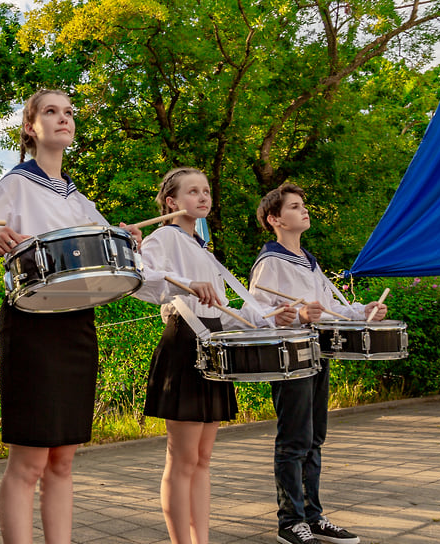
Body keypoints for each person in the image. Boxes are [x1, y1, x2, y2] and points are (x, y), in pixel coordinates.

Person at [0, 89, 139, 543]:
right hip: (31, 326)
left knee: (63, 459)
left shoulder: (78, 199)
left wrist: (126, 236)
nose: (63, 119)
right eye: (50, 112)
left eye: (68, 113)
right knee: (29, 462)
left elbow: (107, 253)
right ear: (30, 127)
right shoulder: (14, 184)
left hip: (77, 325)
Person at [133, 167, 297, 544]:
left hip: (213, 343)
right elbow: (141, 279)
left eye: (206, 190)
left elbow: (225, 311)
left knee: (203, 459)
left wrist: (273, 317)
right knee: (182, 458)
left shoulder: (201, 247)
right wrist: (185, 283)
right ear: (171, 202)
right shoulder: (163, 237)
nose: (203, 197)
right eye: (193, 192)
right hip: (184, 343)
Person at [249, 182, 387, 544]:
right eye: (294, 206)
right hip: (290, 358)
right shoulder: (270, 262)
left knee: (314, 438)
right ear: (274, 219)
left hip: (317, 354)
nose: (304, 210)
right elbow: (258, 313)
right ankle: (289, 520)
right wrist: (296, 314)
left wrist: (363, 310)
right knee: (294, 440)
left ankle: (313, 515)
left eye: (302, 205)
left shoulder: (309, 261)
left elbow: (330, 309)